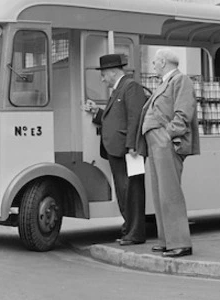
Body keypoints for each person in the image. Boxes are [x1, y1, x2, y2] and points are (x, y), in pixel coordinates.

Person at [136, 48, 199, 258]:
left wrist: (167, 135)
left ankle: (179, 242)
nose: (153, 65)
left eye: (155, 61)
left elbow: (183, 113)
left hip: (165, 142)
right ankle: (167, 240)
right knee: (159, 193)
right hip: (156, 143)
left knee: (170, 193)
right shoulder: (166, 82)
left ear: (163, 62)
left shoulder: (180, 80)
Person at [84, 53, 147, 246]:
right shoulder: (121, 88)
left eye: (103, 74)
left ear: (112, 72)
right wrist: (98, 113)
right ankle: (129, 229)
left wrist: (132, 145)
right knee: (124, 192)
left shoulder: (131, 87)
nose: (102, 79)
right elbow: (117, 117)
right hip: (119, 150)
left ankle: (135, 233)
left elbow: (135, 118)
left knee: (132, 192)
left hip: (127, 151)